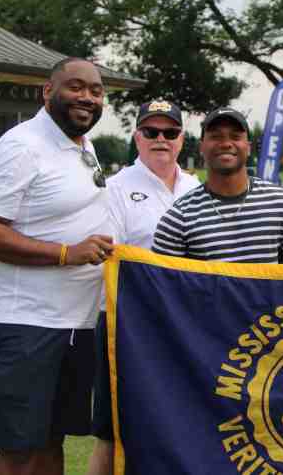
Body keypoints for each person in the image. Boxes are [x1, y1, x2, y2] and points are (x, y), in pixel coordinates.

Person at [0, 57, 115, 475]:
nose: (87, 97)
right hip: (23, 323)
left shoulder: (83, 145)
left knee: (52, 440)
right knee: (21, 449)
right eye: (76, 87)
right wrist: (66, 253)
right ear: (48, 92)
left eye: (96, 91)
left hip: (73, 322)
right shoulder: (22, 145)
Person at [86, 100, 200, 475]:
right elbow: (110, 255)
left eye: (170, 132)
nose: (160, 139)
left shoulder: (196, 186)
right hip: (129, 326)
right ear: (137, 137)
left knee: (182, 424)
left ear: (182, 140)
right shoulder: (114, 188)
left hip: (186, 326)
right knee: (113, 430)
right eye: (151, 132)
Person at [152, 107, 283, 264]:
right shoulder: (179, 217)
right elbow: (164, 285)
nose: (226, 143)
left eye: (235, 136)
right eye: (215, 136)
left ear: (248, 148)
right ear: (201, 147)